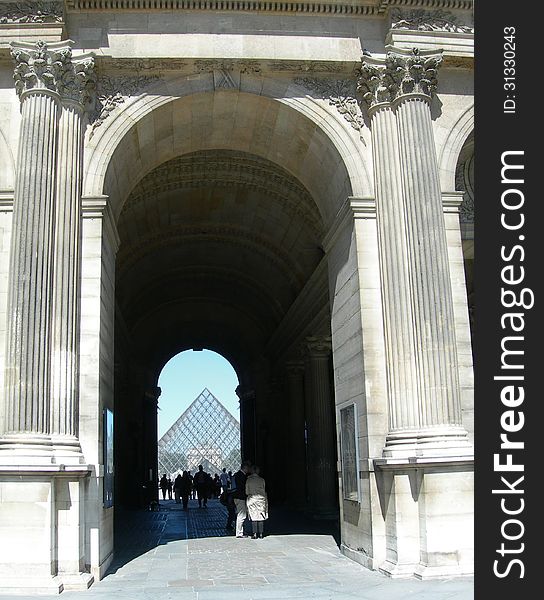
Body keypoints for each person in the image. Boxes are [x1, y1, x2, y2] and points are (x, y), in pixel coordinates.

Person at [246, 465, 268, 539]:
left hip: (252, 499)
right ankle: (261, 533)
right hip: (261, 499)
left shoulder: (248, 480)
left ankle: (255, 533)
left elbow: (247, 491)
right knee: (261, 516)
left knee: (254, 517)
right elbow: (264, 489)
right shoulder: (262, 480)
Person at [232, 460, 252, 538]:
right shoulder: (241, 476)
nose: (248, 470)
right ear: (245, 468)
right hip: (240, 497)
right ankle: (239, 533)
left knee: (240, 514)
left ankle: (241, 531)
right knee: (242, 515)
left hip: (237, 497)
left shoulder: (238, 475)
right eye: (248, 468)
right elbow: (243, 487)